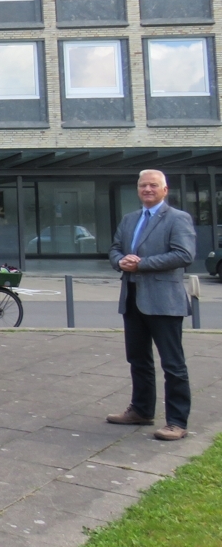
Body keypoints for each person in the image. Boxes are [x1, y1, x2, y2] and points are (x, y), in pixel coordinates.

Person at [107, 169, 196, 441]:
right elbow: (115, 248)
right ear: (138, 189)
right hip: (132, 298)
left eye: (153, 185)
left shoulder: (178, 218)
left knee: (173, 364)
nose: (147, 189)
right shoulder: (129, 219)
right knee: (138, 359)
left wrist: (142, 264)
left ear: (164, 190)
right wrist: (120, 261)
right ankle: (141, 410)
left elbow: (184, 255)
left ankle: (177, 422)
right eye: (143, 185)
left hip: (164, 301)